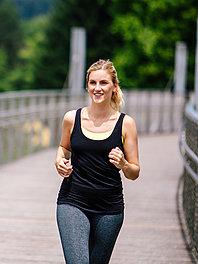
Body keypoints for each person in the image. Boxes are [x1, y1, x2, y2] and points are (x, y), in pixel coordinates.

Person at [54, 59, 140, 264]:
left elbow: (134, 171)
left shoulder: (125, 124)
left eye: (103, 83)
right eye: (93, 83)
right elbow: (64, 148)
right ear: (87, 86)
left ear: (114, 87)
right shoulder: (72, 118)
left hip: (109, 208)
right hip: (73, 201)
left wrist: (123, 164)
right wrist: (59, 161)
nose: (97, 88)